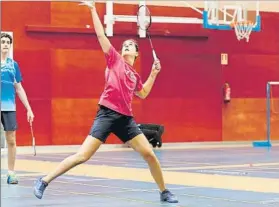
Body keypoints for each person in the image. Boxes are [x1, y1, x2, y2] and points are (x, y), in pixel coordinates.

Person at [33, 1, 178, 203]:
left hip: (126, 119)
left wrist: (153, 73)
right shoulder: (114, 59)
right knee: (83, 156)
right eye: (124, 45)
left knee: (150, 154)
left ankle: (164, 191)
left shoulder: (135, 75)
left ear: (136, 53)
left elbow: (143, 93)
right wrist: (93, 9)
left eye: (131, 45)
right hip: (107, 114)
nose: (126, 46)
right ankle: (44, 180)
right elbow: (101, 35)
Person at [1, 32, 34, 184]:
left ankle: (11, 173)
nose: (5, 44)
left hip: (8, 106)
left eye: (8, 42)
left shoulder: (13, 65)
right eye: (3, 41)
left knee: (11, 140)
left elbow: (19, 88)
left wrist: (29, 108)